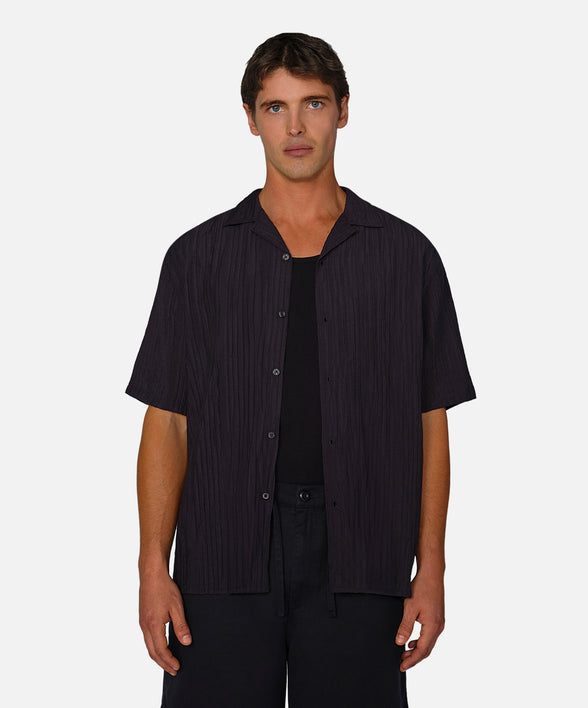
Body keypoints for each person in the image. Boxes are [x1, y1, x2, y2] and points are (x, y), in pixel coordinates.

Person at [125, 32, 476, 708]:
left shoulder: (407, 257)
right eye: (275, 107)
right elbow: (167, 421)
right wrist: (151, 567)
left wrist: (431, 567)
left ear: (343, 110)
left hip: (364, 553)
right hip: (223, 551)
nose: (295, 127)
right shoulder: (197, 259)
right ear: (250, 119)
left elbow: (430, 421)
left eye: (312, 104)